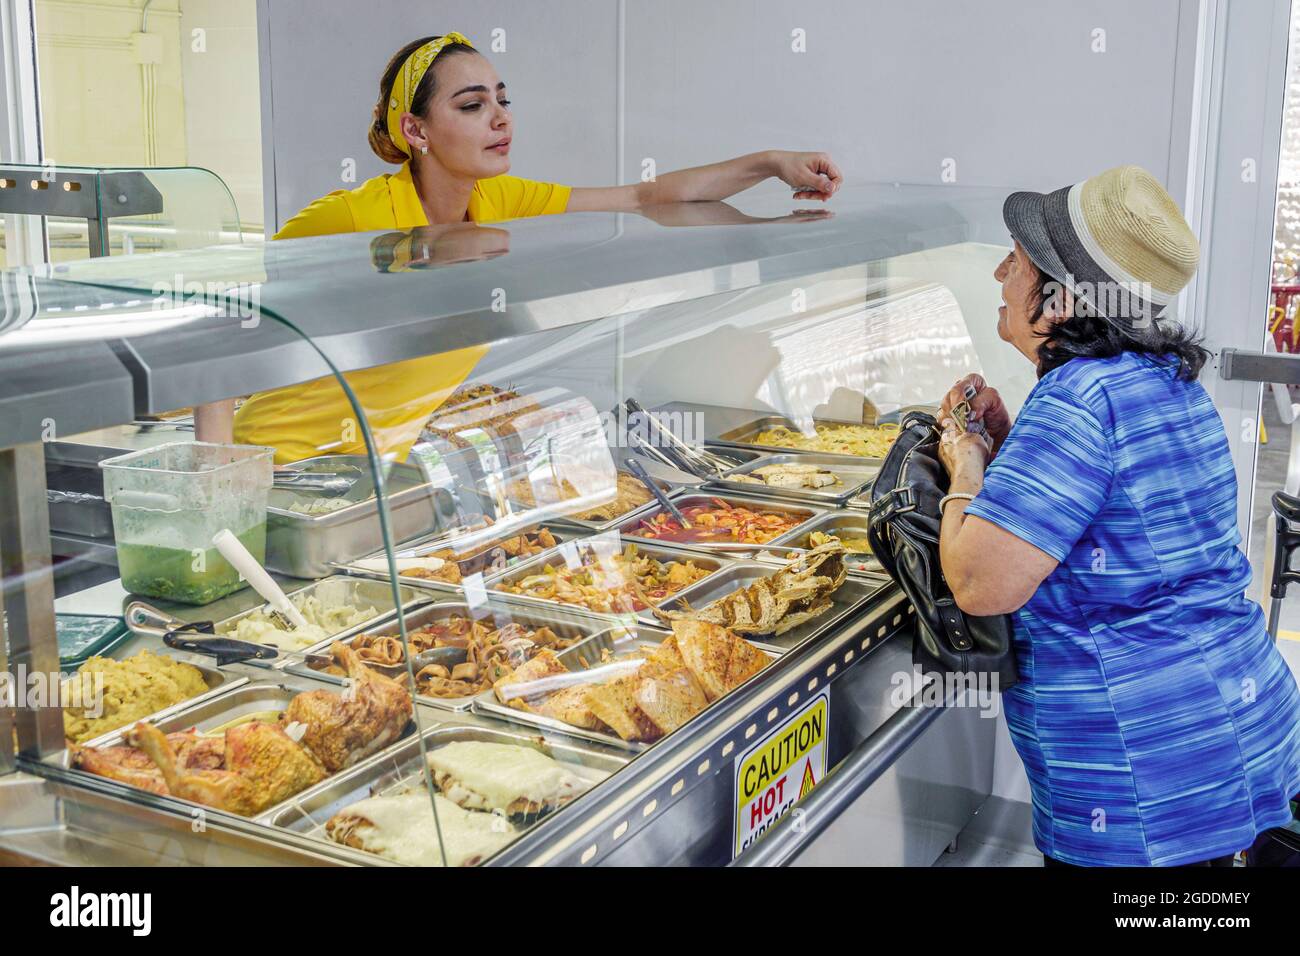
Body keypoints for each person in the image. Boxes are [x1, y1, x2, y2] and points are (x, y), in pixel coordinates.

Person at [201, 31, 843, 463]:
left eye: (502, 101)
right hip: (283, 464)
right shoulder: (349, 216)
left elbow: (648, 200)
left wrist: (768, 161)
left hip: (380, 471)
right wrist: (220, 485)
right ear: (415, 129)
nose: (502, 119)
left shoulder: (501, 201)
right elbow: (222, 333)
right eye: (474, 105)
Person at [935, 164, 1300, 867]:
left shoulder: (1077, 402)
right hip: (1241, 727)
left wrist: (967, 461)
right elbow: (1118, 519)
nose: (1000, 274)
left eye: (1017, 260)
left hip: (1149, 781)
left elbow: (981, 583)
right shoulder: (1167, 383)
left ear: (1062, 301)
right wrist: (1014, 448)